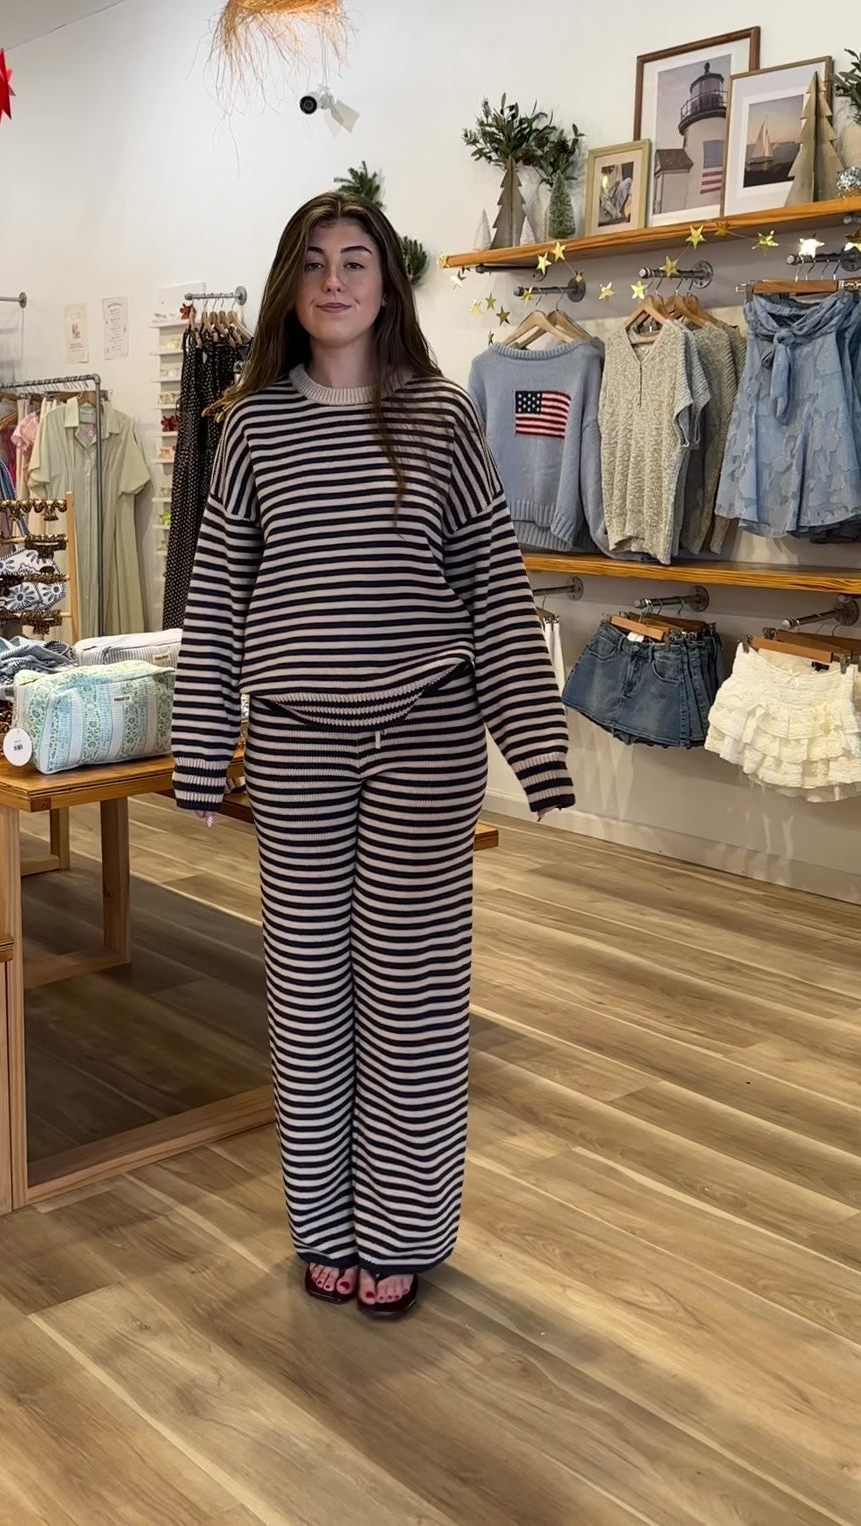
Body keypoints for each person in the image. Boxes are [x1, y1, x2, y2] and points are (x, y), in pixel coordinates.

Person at [171, 192, 574, 1319]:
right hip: (295, 746)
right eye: (312, 264)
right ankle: (323, 1224)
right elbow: (217, 597)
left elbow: (492, 585)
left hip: (425, 740)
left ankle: (400, 1227)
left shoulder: (441, 417)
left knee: (410, 992)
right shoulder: (249, 426)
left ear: (388, 284)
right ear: (287, 289)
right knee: (307, 991)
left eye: (356, 261)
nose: (335, 282)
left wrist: (534, 749)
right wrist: (200, 753)